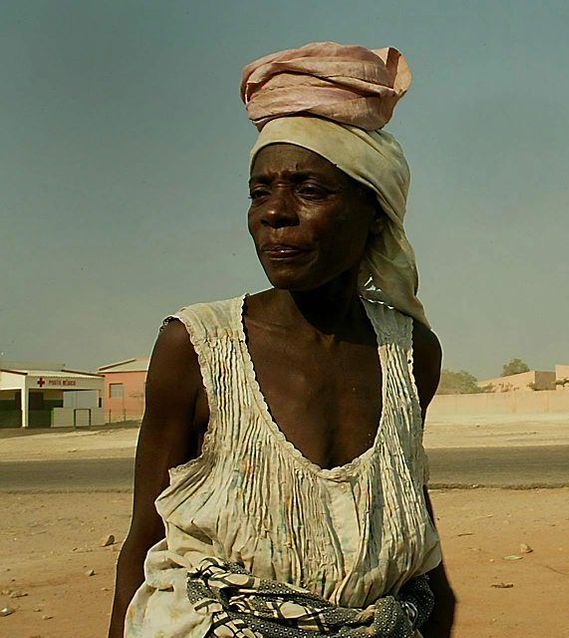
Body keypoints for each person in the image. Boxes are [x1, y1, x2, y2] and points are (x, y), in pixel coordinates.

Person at [108, 42, 455, 638]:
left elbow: (405, 515)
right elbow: (144, 539)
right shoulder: (196, 347)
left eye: (309, 189)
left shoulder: (411, 353)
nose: (276, 213)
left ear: (376, 212)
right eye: (259, 191)